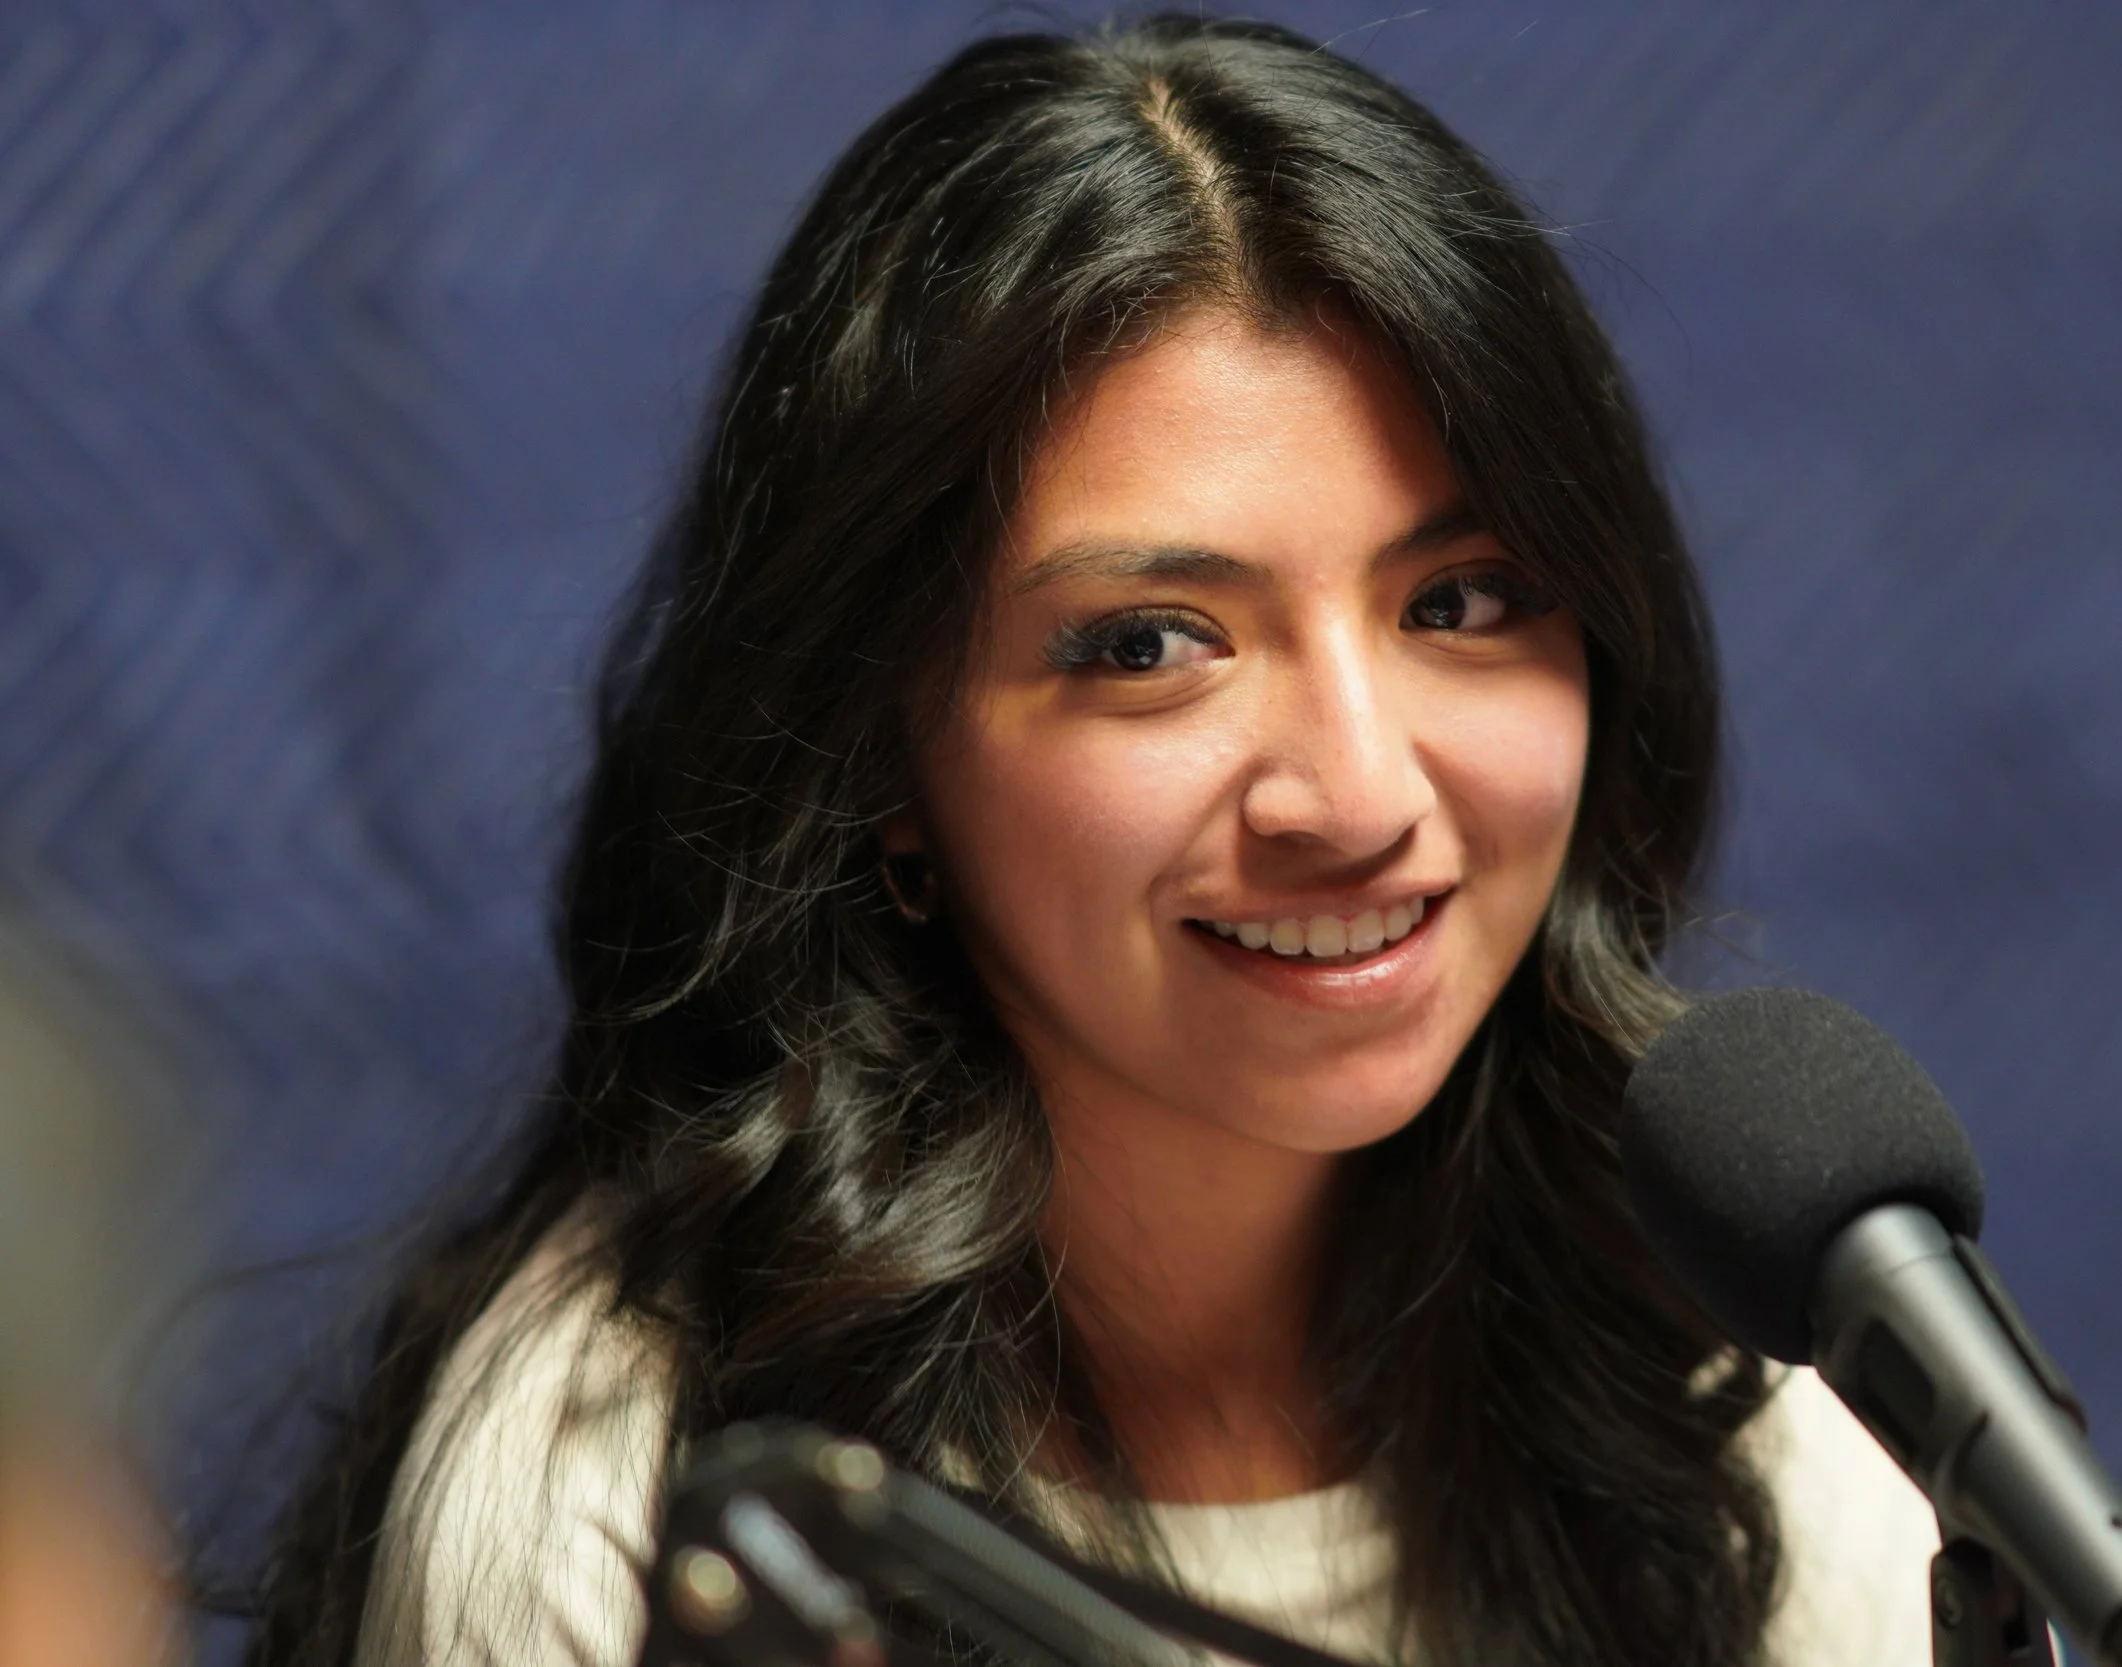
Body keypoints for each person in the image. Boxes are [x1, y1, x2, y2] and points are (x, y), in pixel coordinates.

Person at [247, 16, 1935, 1667]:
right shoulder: (628, 1518)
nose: (1359, 796)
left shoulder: (1737, 1410)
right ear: (876, 752)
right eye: (1148, 643)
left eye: (1461, 601)